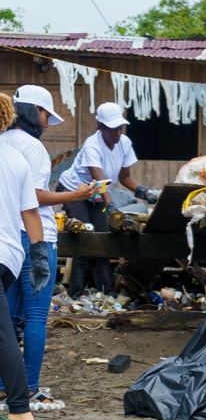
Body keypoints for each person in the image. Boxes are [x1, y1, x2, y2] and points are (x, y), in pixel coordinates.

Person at [2, 86, 96, 412]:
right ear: (34, 110)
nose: (46, 122)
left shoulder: (2, 143)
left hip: (8, 242)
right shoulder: (33, 147)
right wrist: (74, 196)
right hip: (35, 236)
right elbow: (36, 197)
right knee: (36, 318)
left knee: (9, 319)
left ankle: (4, 387)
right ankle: (28, 388)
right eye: (45, 114)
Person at [58, 103, 159, 297]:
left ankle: (105, 292)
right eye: (112, 129)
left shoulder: (125, 143)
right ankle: (76, 293)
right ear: (101, 127)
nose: (117, 133)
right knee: (84, 235)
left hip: (96, 193)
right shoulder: (92, 145)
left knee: (103, 239)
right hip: (75, 190)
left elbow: (125, 178)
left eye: (119, 128)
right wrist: (110, 206)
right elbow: (100, 180)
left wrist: (143, 191)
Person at [0, 92, 49, 420]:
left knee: (4, 332)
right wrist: (39, 255)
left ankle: (19, 412)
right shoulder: (15, 158)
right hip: (9, 257)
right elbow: (30, 212)